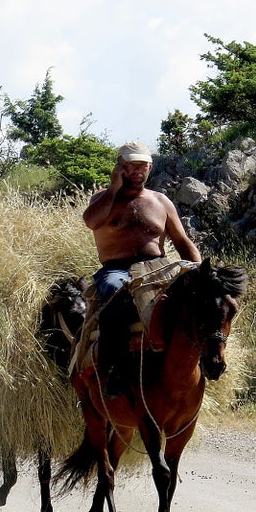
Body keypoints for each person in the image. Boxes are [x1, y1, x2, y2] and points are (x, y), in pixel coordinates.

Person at [82, 141, 201, 396]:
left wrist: (199, 271)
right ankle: (113, 371)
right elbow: (91, 221)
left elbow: (182, 242)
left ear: (150, 168)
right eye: (131, 165)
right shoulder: (102, 199)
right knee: (114, 291)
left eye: (143, 165)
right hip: (117, 269)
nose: (138, 170)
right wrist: (114, 188)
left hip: (158, 266)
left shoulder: (161, 201)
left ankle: (200, 363)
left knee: (202, 300)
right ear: (120, 167)